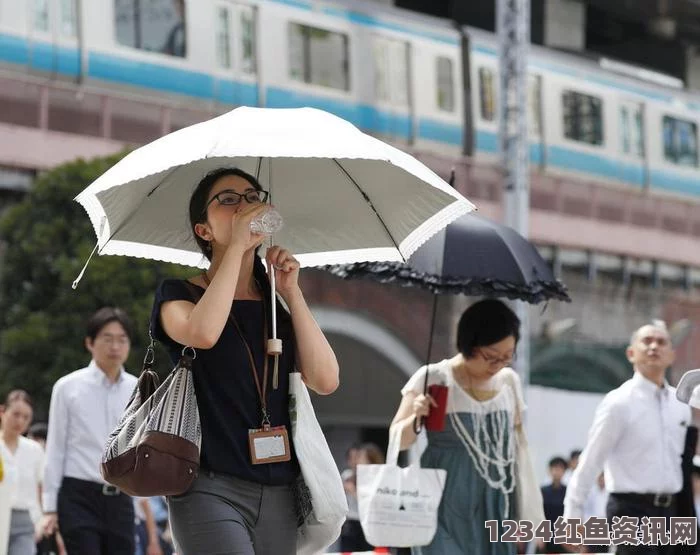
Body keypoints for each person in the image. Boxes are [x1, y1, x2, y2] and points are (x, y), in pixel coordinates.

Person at [151, 167, 339, 554]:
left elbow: (325, 379)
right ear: (203, 230)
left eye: (253, 197)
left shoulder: (275, 303)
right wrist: (236, 248)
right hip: (208, 483)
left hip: (279, 489)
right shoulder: (177, 293)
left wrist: (292, 292)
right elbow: (203, 333)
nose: (245, 207)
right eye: (229, 200)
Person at [389, 299, 543, 555]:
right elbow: (398, 439)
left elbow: (517, 451)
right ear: (468, 344)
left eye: (507, 357)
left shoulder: (509, 382)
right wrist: (416, 415)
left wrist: (524, 515)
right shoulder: (434, 377)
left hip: (495, 504)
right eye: (490, 357)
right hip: (442, 503)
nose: (497, 366)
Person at [563, 322, 691, 555]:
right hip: (630, 509)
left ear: (672, 355)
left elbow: (684, 460)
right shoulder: (618, 403)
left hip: (672, 511)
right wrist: (572, 514)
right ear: (631, 353)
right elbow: (591, 460)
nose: (654, 347)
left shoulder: (680, 404)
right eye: (647, 341)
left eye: (661, 342)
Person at [41, 307, 138, 554]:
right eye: (107, 338)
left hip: (122, 497)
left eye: (122, 339)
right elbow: (56, 448)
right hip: (78, 496)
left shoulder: (138, 388)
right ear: (90, 343)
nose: (115, 346)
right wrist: (49, 507)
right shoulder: (67, 387)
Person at [0, 390, 44, 555]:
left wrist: (41, 521)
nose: (20, 421)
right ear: (3, 412)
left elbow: (42, 488)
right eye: (16, 414)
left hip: (25, 522)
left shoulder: (34, 450)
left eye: (26, 417)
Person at [339, 442, 385, 552]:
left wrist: (353, 491)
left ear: (370, 461)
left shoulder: (377, 479)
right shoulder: (348, 475)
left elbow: (372, 504)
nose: (356, 460)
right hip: (350, 523)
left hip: (368, 523)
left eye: (360, 457)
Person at [539, 456, 568, 554]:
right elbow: (540, 514)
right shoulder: (543, 491)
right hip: (547, 532)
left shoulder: (568, 491)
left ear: (564, 471)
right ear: (549, 471)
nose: (557, 471)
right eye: (555, 468)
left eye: (560, 469)